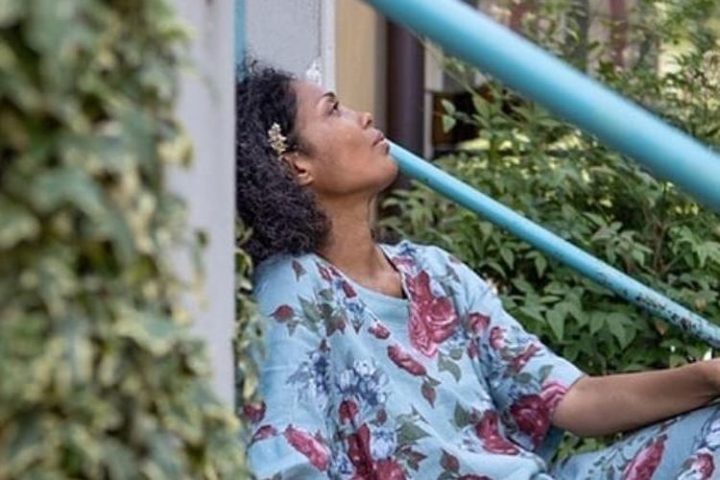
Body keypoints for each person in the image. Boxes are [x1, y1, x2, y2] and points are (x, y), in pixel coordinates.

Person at [236, 63, 720, 479]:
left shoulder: (434, 272)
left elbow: (569, 400)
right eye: (333, 110)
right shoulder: (293, 290)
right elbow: (285, 461)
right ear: (296, 165)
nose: (363, 116)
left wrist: (707, 377)